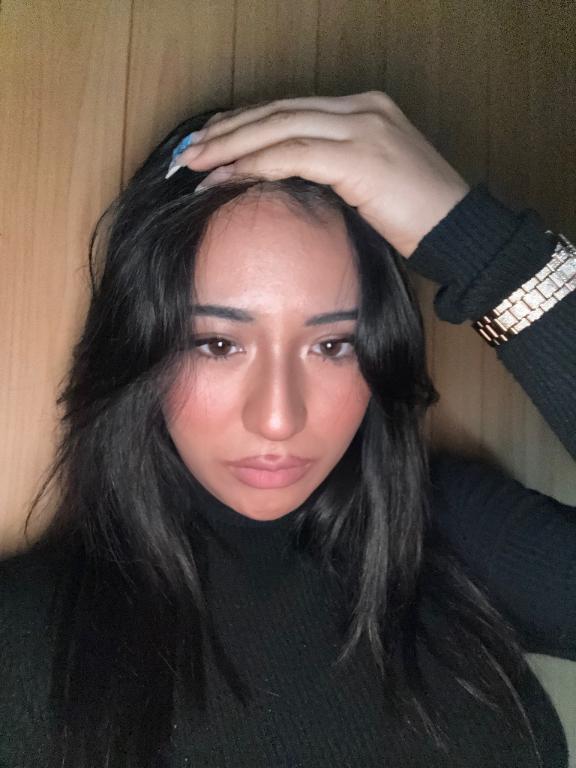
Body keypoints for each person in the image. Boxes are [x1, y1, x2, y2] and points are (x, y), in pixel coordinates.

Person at [0, 91, 574, 768]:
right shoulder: (23, 642)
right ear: (141, 350)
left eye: (333, 345)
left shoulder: (450, 536)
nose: (278, 418)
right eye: (217, 344)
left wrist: (487, 253)